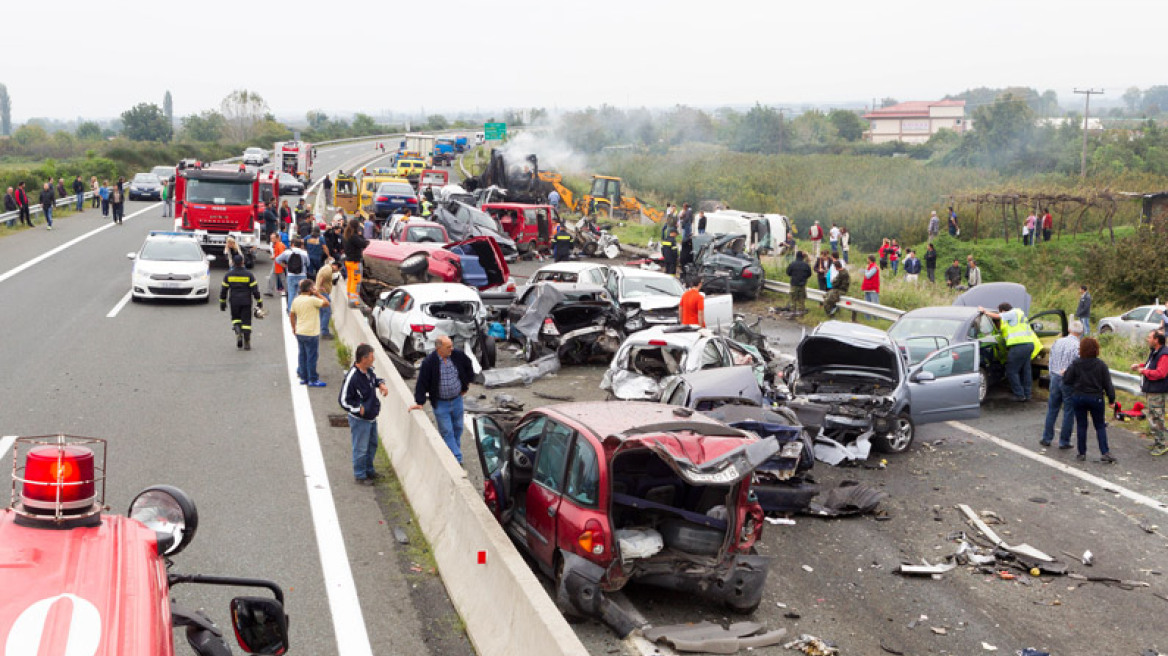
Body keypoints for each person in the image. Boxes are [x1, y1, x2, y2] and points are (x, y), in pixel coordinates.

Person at [409, 336, 475, 463]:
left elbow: (468, 366)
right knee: (447, 432)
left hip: (457, 400)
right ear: (439, 348)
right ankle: (457, 458)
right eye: (448, 347)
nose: (452, 349)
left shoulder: (457, 356)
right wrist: (419, 402)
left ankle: (452, 454)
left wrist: (466, 385)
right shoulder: (429, 362)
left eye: (451, 346)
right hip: (441, 404)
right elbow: (422, 382)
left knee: (458, 428)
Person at [339, 344, 389, 485]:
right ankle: (360, 475)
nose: (374, 359)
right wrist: (357, 409)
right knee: (360, 448)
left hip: (371, 417)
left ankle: (369, 471)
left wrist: (381, 384)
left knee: (372, 445)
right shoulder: (353, 377)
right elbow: (343, 400)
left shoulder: (368, 371)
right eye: (372, 356)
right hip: (360, 420)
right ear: (364, 358)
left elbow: (374, 380)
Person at [1063, 337, 1117, 463]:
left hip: (1079, 397)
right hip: (1095, 398)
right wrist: (1111, 400)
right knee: (1099, 425)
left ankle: (1081, 453)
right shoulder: (1101, 365)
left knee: (1081, 425)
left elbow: (1067, 380)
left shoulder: (1076, 363)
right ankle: (1105, 452)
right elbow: (1108, 384)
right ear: (1096, 349)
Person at [980, 303, 1039, 402]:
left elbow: (997, 316)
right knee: (1026, 371)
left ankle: (1019, 395)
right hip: (1028, 345)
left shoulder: (1012, 313)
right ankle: (1027, 394)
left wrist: (984, 311)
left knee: (1011, 371)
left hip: (1019, 346)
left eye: (1000, 311)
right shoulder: (1020, 313)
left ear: (1003, 310)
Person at [1041, 320, 1083, 449]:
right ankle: (1064, 441)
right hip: (1068, 380)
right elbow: (1078, 365)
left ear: (1069, 330)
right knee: (1068, 410)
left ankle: (1046, 438)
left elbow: (1051, 358)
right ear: (1081, 332)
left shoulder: (1058, 341)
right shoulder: (1078, 346)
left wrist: (1052, 372)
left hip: (1054, 376)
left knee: (1052, 408)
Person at [1132, 330, 1168, 456]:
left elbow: (1161, 373)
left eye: (1149, 337)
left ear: (1156, 340)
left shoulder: (1164, 354)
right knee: (1153, 416)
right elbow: (1151, 365)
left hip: (1157, 391)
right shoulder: (1155, 352)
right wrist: (1140, 366)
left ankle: (1162, 444)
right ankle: (1158, 441)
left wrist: (1144, 372)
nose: (1147, 339)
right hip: (1151, 389)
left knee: (1157, 418)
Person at [219, 254, 263, 350]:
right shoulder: (249, 274)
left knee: (236, 319)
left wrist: (222, 302)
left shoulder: (228, 275)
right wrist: (259, 301)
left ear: (233, 263)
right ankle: (247, 342)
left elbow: (224, 290)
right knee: (246, 322)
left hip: (234, 301)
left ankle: (238, 332)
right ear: (243, 262)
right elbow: (255, 290)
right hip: (246, 301)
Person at [290, 278, 329, 387]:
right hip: (311, 333)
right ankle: (313, 379)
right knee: (312, 356)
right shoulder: (312, 300)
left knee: (302, 355)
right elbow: (326, 303)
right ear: (310, 289)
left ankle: (304, 378)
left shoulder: (296, 300)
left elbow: (292, 315)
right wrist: (317, 294)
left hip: (300, 331)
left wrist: (294, 327)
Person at [277, 238, 311, 313]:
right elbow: (308, 264)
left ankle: (290, 310)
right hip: (302, 275)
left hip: (291, 275)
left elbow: (277, 259)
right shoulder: (304, 253)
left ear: (293, 244)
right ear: (300, 245)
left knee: (291, 293)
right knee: (301, 294)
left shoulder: (287, 252)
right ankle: (299, 310)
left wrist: (285, 266)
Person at [342, 218, 369, 308]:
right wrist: (361, 236)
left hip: (348, 261)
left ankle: (350, 296)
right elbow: (363, 244)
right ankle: (354, 301)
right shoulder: (354, 236)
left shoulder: (346, 235)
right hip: (355, 262)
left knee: (350, 279)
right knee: (356, 281)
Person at [315, 260, 338, 340]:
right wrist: (321, 287)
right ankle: (324, 332)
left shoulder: (327, 268)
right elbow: (323, 277)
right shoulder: (328, 270)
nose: (337, 271)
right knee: (327, 312)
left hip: (320, 293)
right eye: (338, 269)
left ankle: (321, 328)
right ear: (335, 266)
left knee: (322, 312)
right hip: (323, 294)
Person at [265, 232, 287, 297]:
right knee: (273, 277)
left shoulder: (279, 245)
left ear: (277, 238)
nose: (272, 239)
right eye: (271, 238)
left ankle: (287, 291)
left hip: (279, 264)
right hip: (277, 264)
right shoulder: (277, 244)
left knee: (282, 279)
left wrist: (274, 257)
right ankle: (270, 291)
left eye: (273, 238)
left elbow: (281, 255)